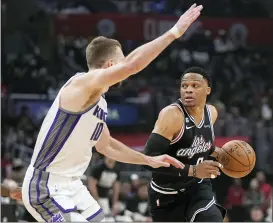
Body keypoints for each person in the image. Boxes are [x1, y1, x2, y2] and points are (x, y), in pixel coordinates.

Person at [22, 4, 203, 222]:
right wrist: (174, 32)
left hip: (72, 185)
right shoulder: (82, 84)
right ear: (110, 64)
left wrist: (148, 160)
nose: (124, 67)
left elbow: (106, 145)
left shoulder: (100, 103)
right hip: (45, 186)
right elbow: (131, 65)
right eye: (121, 60)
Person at [144, 67, 227, 222]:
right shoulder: (172, 115)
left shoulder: (211, 113)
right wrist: (194, 170)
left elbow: (197, 144)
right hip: (166, 194)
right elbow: (148, 160)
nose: (188, 90)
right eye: (184, 86)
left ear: (207, 90)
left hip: (198, 188)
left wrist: (218, 152)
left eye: (195, 86)